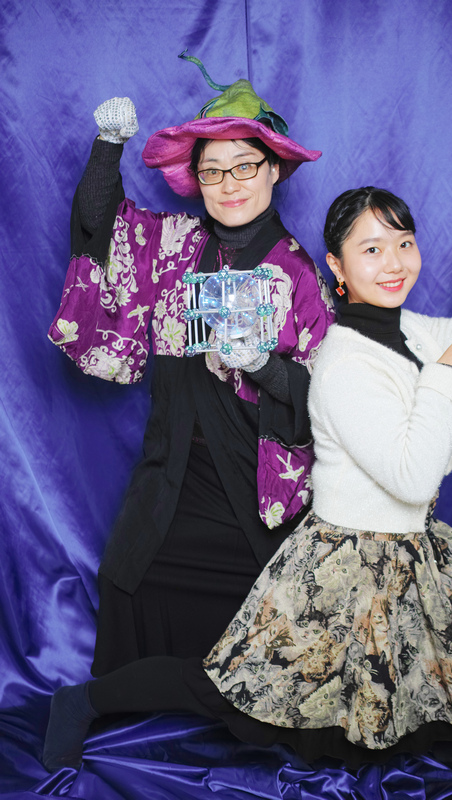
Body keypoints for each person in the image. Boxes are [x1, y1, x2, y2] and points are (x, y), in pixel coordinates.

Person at [44, 188, 452, 794]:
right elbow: (412, 477)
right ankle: (84, 701)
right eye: (372, 249)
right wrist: (445, 379)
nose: (393, 262)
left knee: (432, 656)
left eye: (404, 244)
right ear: (336, 268)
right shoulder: (344, 362)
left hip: (407, 548)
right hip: (343, 560)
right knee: (238, 692)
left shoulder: (411, 332)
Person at [47, 56, 334, 681]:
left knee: (274, 620)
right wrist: (107, 148)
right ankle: (122, 696)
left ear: (274, 169)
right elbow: (101, 229)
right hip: (173, 457)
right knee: (126, 580)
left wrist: (264, 367)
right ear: (196, 179)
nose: (229, 184)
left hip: (254, 477)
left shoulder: (299, 274)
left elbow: (328, 399)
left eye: (245, 166)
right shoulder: (174, 245)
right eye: (212, 171)